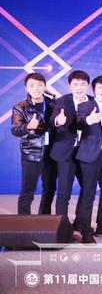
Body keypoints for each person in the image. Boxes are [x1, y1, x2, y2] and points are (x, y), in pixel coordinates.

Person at [74, 75, 102, 243]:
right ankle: (85, 231)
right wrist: (89, 120)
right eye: (100, 87)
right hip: (90, 155)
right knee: (89, 193)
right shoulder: (86, 105)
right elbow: (79, 122)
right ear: (94, 90)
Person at [11, 72, 55, 215]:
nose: (36, 89)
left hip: (51, 152)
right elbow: (15, 130)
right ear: (26, 88)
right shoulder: (20, 107)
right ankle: (23, 222)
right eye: (32, 85)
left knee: (49, 189)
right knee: (28, 190)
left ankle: (44, 219)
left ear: (45, 86)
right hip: (31, 152)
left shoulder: (52, 104)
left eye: (39, 85)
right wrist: (28, 126)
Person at [49, 70, 91, 220]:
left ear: (88, 86)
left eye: (82, 84)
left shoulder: (93, 102)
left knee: (87, 190)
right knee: (64, 192)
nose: (79, 88)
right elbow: (53, 119)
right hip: (66, 152)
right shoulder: (62, 101)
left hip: (86, 152)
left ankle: (80, 223)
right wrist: (58, 121)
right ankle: (62, 226)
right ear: (70, 86)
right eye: (75, 84)